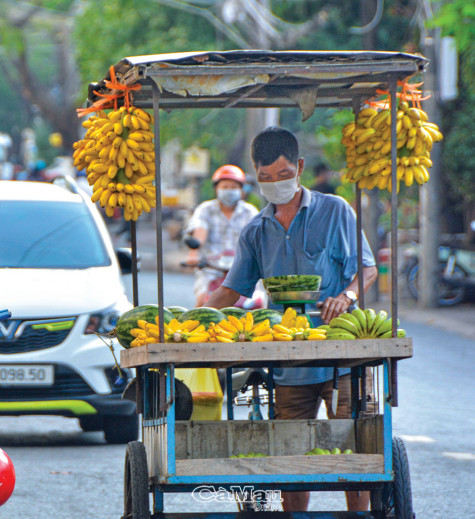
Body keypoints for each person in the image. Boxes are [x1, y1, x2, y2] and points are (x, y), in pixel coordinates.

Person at [205, 127, 378, 512]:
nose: (275, 185)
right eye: (265, 179)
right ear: (255, 173)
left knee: (354, 455)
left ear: (298, 167)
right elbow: (232, 291)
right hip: (288, 367)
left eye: (283, 176)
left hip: (340, 360)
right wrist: (187, 322)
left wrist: (347, 296)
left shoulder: (335, 211)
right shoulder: (255, 231)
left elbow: (366, 270)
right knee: (291, 460)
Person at [185, 165, 259, 307]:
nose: (229, 190)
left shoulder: (250, 211)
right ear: (216, 188)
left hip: (243, 272)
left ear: (241, 190)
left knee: (259, 305)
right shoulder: (205, 209)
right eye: (225, 187)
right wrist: (194, 252)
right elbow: (200, 231)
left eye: (233, 187)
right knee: (202, 304)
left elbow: (258, 239)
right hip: (211, 270)